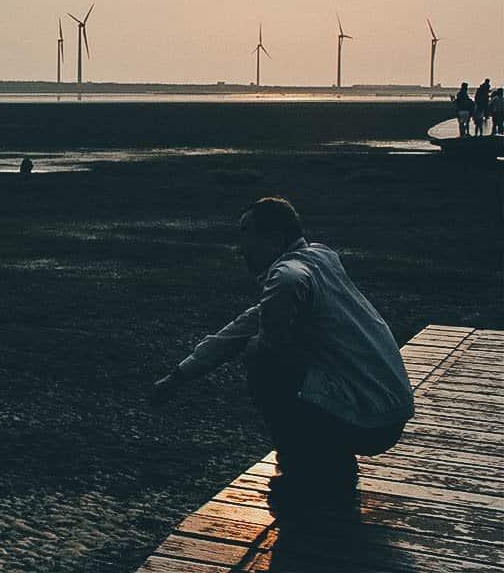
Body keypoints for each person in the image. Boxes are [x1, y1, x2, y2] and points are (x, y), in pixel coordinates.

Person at [151, 197, 413, 522]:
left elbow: (279, 305)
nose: (241, 247)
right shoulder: (321, 258)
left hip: (369, 421)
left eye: (247, 234)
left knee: (262, 357)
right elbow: (240, 327)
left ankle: (301, 469)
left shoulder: (288, 274)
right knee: (266, 348)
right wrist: (179, 376)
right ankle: (331, 464)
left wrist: (267, 342)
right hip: (390, 412)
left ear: (274, 239)